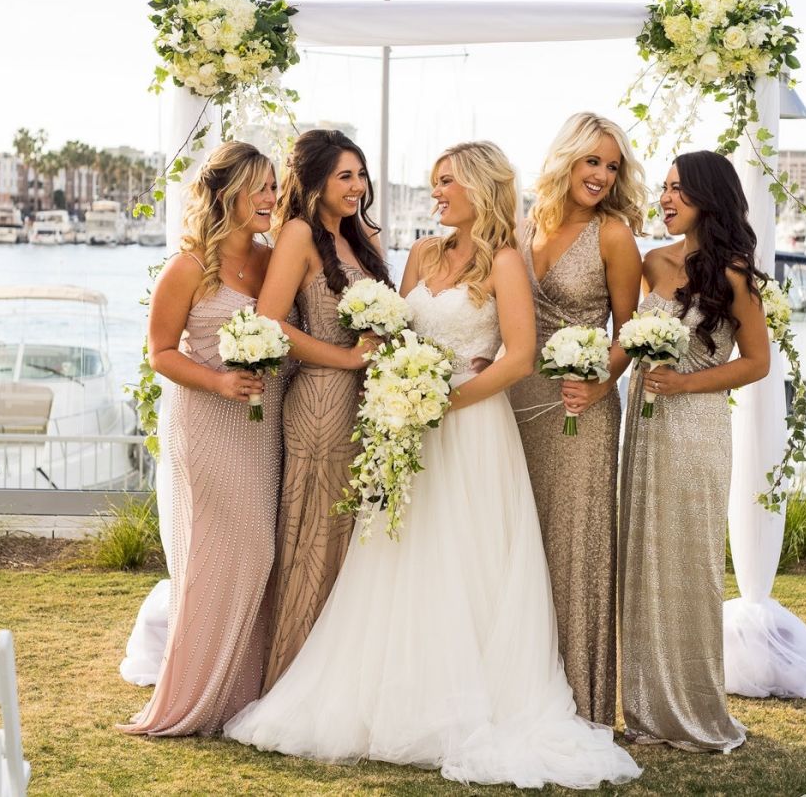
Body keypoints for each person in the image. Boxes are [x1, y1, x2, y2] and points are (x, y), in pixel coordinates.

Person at [224, 141, 641, 789]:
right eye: (434, 183)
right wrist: (401, 382)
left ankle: (470, 699)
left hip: (472, 432)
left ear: (477, 186)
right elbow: (396, 331)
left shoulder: (503, 261)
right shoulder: (421, 254)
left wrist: (445, 400)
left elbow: (518, 357)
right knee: (400, 562)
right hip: (409, 428)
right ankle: (394, 696)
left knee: (468, 565)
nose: (436, 192)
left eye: (446, 182)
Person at [120, 140, 284, 736]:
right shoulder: (187, 267)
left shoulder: (270, 261)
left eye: (274, 186)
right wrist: (218, 380)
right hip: (207, 424)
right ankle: (194, 695)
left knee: (260, 554)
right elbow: (160, 352)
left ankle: (242, 691)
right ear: (228, 193)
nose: (272, 197)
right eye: (262, 186)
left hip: (263, 428)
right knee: (219, 556)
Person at [618, 150, 771, 752]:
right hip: (646, 426)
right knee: (644, 557)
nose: (667, 198)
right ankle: (645, 710)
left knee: (688, 560)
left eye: (679, 189)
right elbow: (619, 338)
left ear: (709, 196)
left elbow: (756, 362)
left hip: (696, 426)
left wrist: (684, 382)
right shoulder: (652, 261)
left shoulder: (732, 272)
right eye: (664, 188)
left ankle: (695, 708)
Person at [508, 112, 644, 724]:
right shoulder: (521, 226)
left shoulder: (613, 235)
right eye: (593, 161)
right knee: (517, 546)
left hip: (578, 410)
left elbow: (631, 329)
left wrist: (599, 381)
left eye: (612, 166)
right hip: (514, 401)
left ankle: (582, 705)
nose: (602, 175)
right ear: (566, 159)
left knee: (574, 549)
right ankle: (517, 691)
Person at [256, 129, 391, 692]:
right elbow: (269, 322)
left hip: (367, 406)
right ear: (314, 180)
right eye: (345, 176)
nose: (357, 186)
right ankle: (292, 679)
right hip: (319, 401)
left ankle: (343, 680)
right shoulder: (297, 235)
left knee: (355, 537)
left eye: (361, 175)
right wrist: (344, 358)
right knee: (313, 532)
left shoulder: (364, 240)